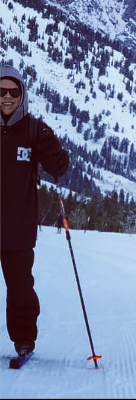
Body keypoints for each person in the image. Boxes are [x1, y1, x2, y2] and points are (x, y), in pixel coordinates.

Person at [0, 64, 69, 359]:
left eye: (13, 92)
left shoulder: (32, 130)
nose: (7, 97)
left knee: (20, 289)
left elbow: (60, 167)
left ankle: (24, 340)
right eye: (1, 91)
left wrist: (50, 146)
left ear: (22, 95)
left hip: (17, 225)